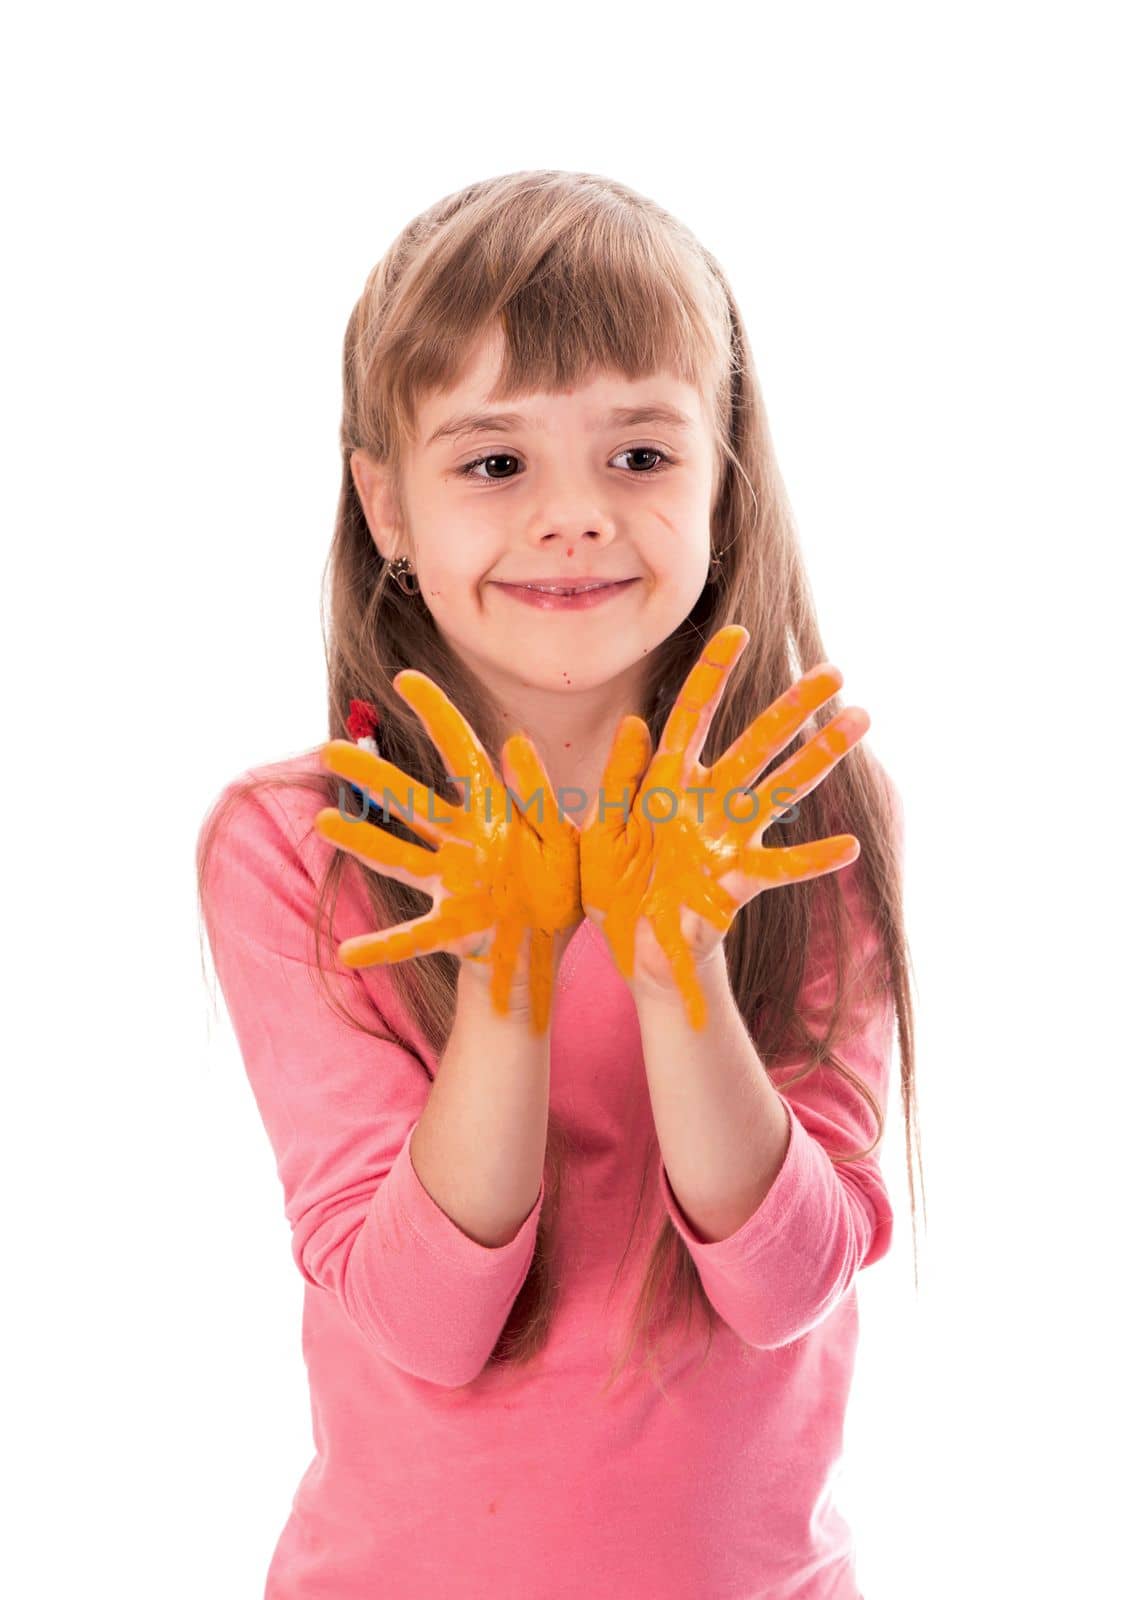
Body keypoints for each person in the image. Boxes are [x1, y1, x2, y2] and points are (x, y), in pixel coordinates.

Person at [196, 168, 919, 1600]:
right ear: (385, 503)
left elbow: (785, 1290)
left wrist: (679, 973)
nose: (575, 515)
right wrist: (507, 988)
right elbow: (422, 1319)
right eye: (494, 463)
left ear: (726, 478)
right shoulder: (292, 846)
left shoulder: (805, 819)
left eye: (640, 457)